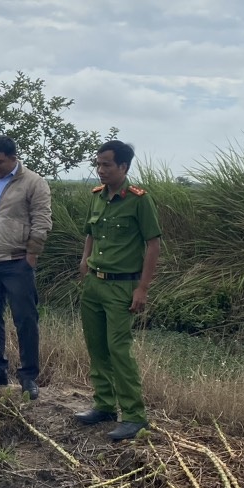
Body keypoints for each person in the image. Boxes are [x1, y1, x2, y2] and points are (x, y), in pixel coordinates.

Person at [74, 140, 162, 441]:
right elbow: (90, 232)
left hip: (122, 285)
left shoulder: (139, 200)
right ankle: (104, 405)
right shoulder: (97, 197)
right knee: (96, 347)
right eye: (98, 164)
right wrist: (85, 259)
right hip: (94, 284)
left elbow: (153, 244)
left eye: (107, 165)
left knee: (119, 350)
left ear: (123, 167)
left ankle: (135, 416)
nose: (100, 170)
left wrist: (142, 288)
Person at [0, 135, 52, 400]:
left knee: (25, 319)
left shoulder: (34, 182)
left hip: (17, 261)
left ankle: (28, 377)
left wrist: (32, 254)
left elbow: (42, 219)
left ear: (13, 158)